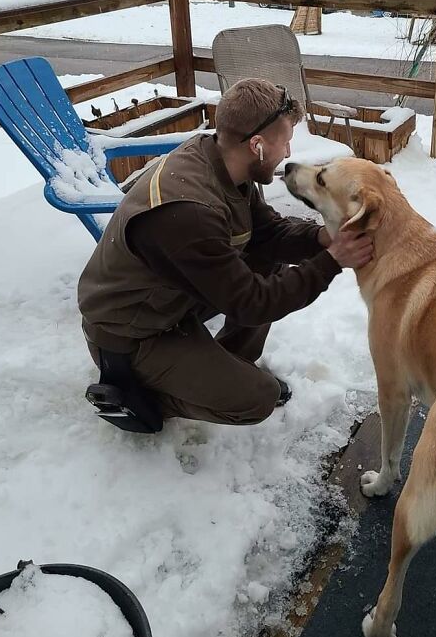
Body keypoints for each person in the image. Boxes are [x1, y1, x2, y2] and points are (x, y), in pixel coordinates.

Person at [78, 77, 373, 427]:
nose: (289, 154)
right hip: (132, 333)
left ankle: (228, 364)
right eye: (286, 143)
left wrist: (322, 238)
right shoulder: (187, 213)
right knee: (256, 400)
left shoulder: (224, 162)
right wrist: (332, 261)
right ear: (258, 145)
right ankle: (140, 393)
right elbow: (253, 304)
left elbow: (268, 234)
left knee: (269, 263)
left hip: (171, 300)